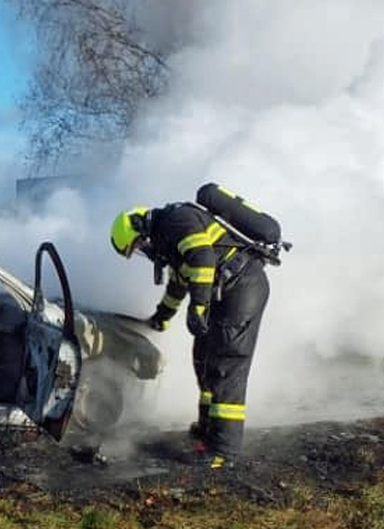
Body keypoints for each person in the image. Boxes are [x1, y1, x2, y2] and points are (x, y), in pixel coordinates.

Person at [110, 201, 270, 469]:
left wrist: (199, 307)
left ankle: (223, 451)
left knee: (225, 365)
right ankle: (209, 428)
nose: (143, 251)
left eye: (138, 244)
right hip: (226, 290)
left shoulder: (177, 220)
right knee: (203, 357)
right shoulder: (170, 238)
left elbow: (203, 259)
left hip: (242, 287)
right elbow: (178, 283)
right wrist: (162, 317)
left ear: (141, 228)